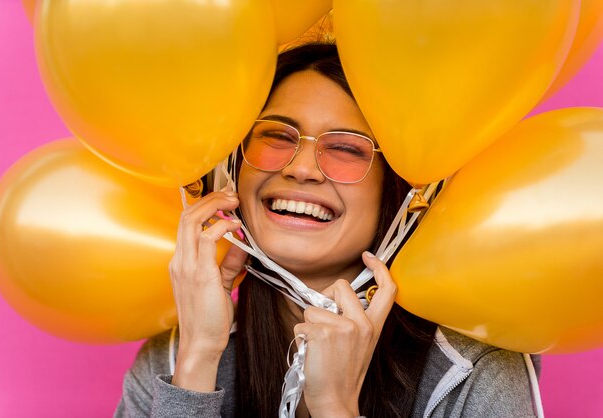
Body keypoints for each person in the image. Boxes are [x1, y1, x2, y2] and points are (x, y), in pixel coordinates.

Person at [115, 43, 541, 418]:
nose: (299, 168)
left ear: (400, 194)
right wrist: (198, 359)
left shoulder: (474, 374)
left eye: (345, 148)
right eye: (277, 135)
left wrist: (335, 407)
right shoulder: (170, 361)